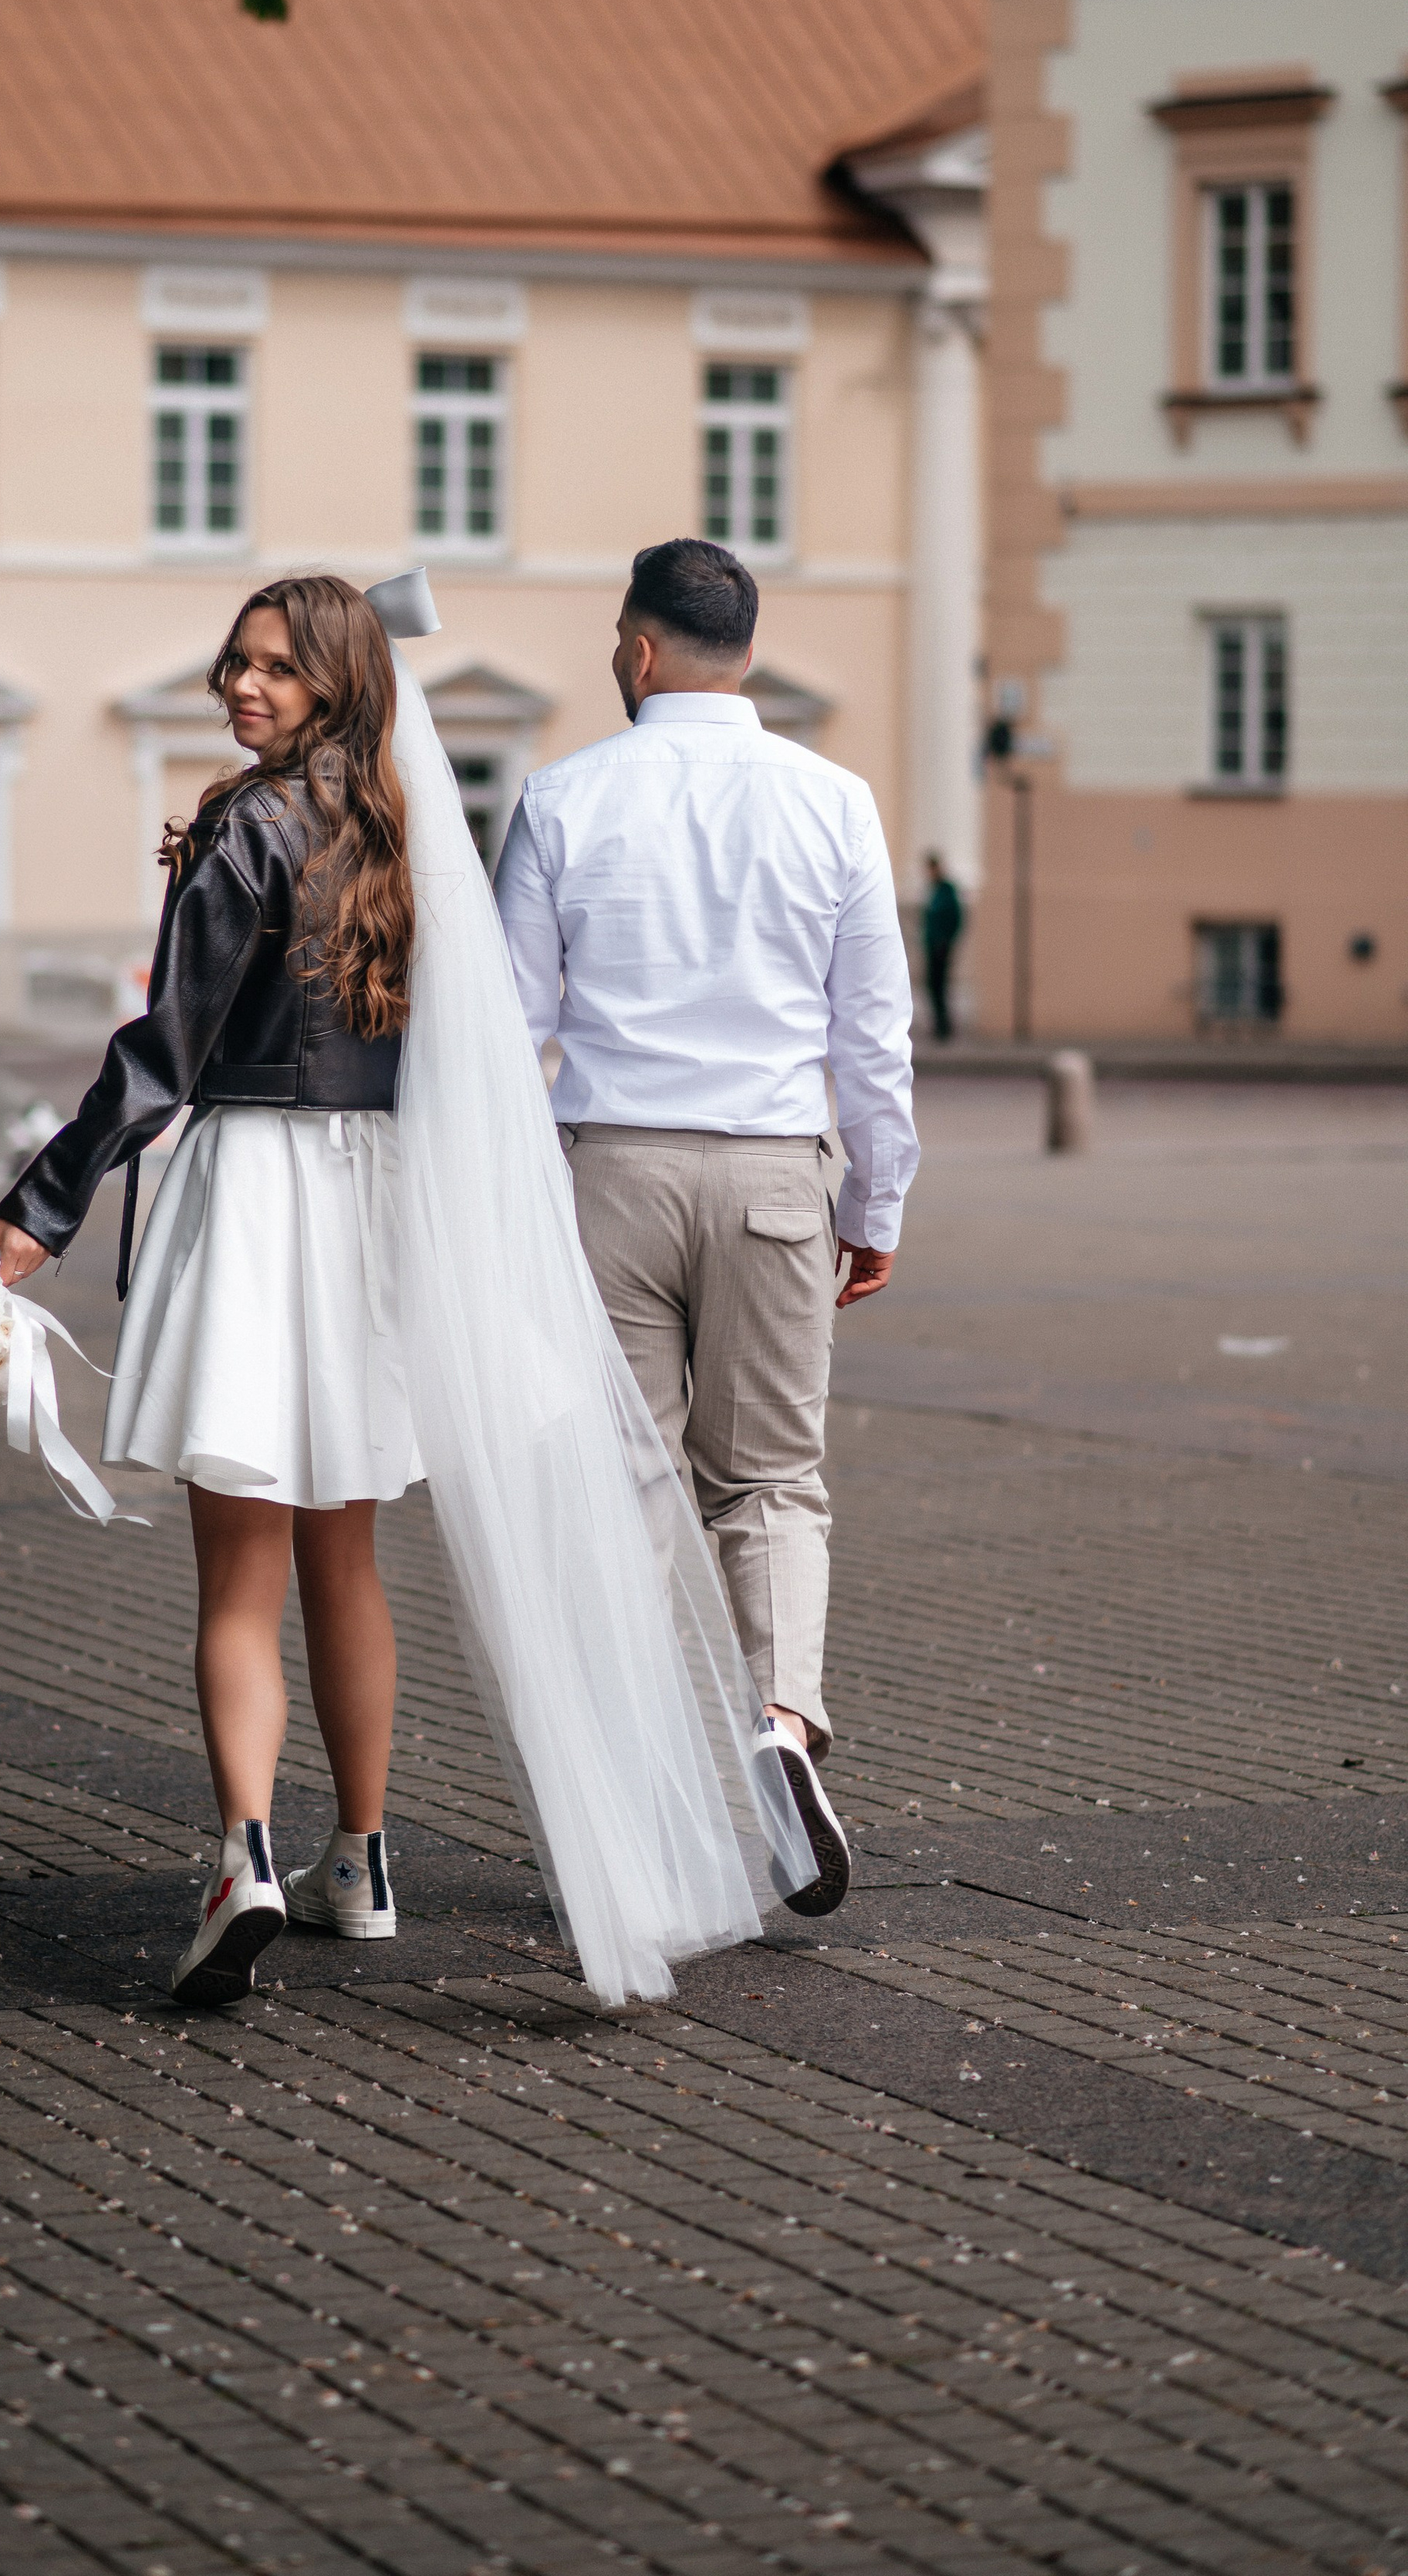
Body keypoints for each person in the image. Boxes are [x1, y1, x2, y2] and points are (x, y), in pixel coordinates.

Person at [0, 570, 816, 2014]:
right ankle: (360, 1861)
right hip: (377, 1205)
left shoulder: (248, 824)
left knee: (240, 1566)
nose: (243, 687)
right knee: (346, 1551)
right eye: (235, 662)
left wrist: (39, 1209)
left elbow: (163, 1050)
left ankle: (243, 1862)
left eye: (274, 667)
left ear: (335, 682)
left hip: (257, 1198)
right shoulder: (413, 831)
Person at [495, 537, 920, 1918]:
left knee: (623, 1482)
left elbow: (511, 1029)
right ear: (746, 651)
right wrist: (876, 1204)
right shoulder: (835, 800)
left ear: (638, 650)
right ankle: (781, 1721)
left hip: (610, 1171)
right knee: (772, 1482)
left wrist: (508, 1202)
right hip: (775, 1176)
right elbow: (873, 1033)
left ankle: (642, 1795)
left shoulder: (562, 796)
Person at [922, 851, 964, 1043]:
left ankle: (944, 1025)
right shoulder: (933, 890)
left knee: (939, 986)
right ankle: (939, 1023)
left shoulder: (946, 890)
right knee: (933, 986)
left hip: (941, 947)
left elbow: (955, 918)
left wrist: (946, 941)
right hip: (932, 946)